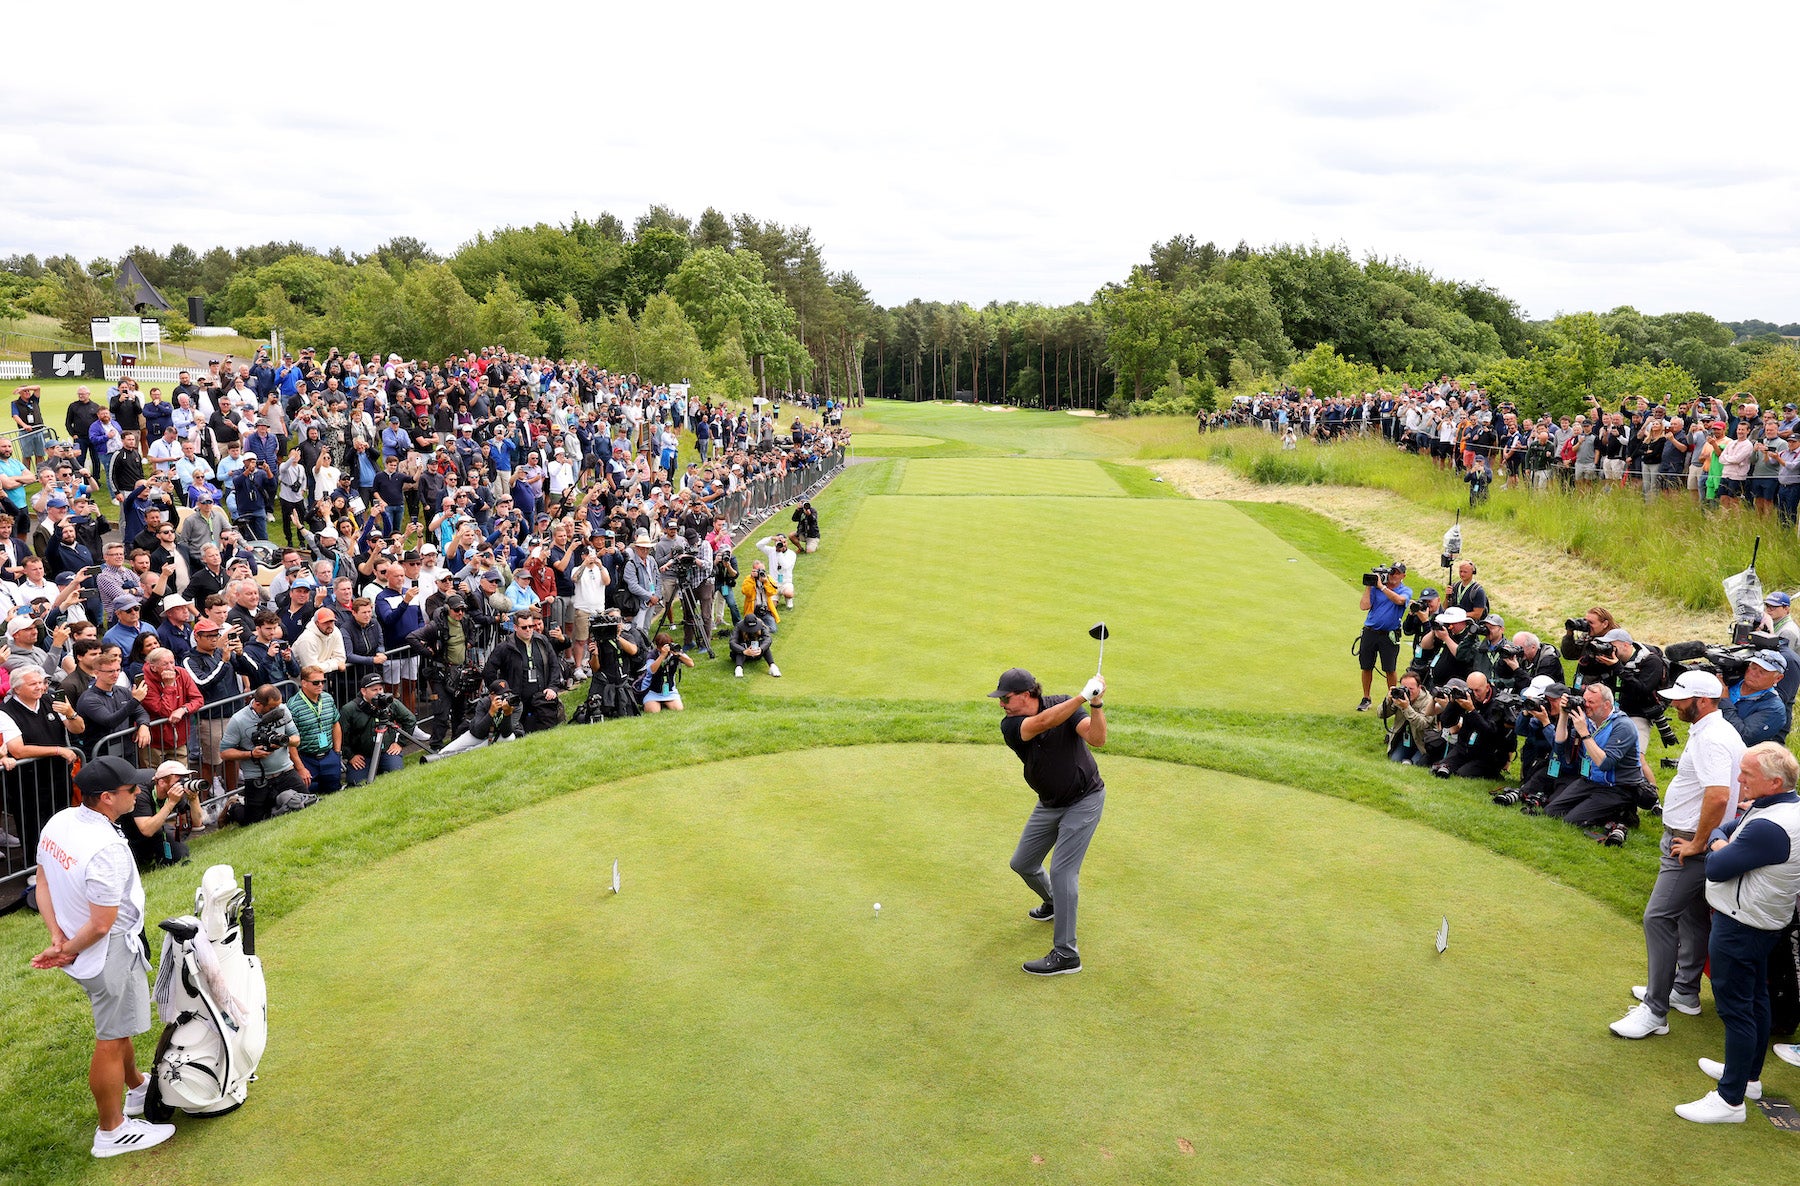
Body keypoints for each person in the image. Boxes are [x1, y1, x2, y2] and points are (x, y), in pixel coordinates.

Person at [30, 756, 178, 1159]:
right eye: (133, 790)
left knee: (117, 1025)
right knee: (110, 1038)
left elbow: (43, 881)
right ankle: (111, 1132)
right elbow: (100, 925)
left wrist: (58, 940)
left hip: (81, 947)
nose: (140, 792)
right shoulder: (106, 849)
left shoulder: (60, 821)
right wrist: (64, 949)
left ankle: (135, 1088)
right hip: (107, 950)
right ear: (107, 798)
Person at [1666, 742, 1800, 1122]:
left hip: (1741, 923)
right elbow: (1727, 827)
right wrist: (1724, 838)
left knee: (1737, 1008)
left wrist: (1720, 844)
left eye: (1747, 775)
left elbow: (1717, 866)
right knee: (1755, 999)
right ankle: (1747, 1079)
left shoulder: (1768, 826)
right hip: (1759, 920)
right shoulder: (1778, 807)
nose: (1739, 780)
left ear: (1774, 782)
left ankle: (1729, 1101)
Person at [1612, 671, 1746, 1039]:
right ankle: (1685, 991)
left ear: (1702, 701)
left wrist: (1698, 843)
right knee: (1692, 917)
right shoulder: (1709, 730)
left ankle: (1655, 1010)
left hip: (1688, 843)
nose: (1672, 704)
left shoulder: (1712, 738)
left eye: (1679, 699)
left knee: (1657, 918)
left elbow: (1718, 795)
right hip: (1688, 837)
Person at [990, 665, 1108, 977]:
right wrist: (1083, 696)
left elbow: (1097, 739)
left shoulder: (1065, 705)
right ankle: (1055, 903)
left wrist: (1095, 704)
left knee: (1062, 869)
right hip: (1050, 803)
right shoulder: (1011, 725)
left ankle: (1067, 954)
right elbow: (1043, 722)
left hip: (1085, 799)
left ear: (1027, 694)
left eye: (1006, 697)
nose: (1000, 703)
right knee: (1023, 863)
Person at [219, 684, 305, 825]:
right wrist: (251, 754)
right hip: (257, 778)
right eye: (272, 708)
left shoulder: (283, 709)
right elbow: (224, 753)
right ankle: (233, 807)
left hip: (286, 771)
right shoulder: (238, 720)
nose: (277, 710)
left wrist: (285, 741)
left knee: (306, 803)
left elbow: (296, 739)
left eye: (278, 706)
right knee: (253, 822)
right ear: (258, 704)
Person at [125, 759, 206, 870]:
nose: (182, 782)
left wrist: (193, 798)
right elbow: (146, 830)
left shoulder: (174, 791)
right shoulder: (141, 793)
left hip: (153, 832)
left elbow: (197, 823)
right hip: (130, 836)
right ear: (162, 782)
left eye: (185, 778)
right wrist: (170, 803)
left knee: (179, 853)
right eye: (178, 779)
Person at [340, 673, 420, 783]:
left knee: (396, 776)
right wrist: (350, 756)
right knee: (356, 783)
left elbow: (410, 719)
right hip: (362, 756)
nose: (379, 693)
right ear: (364, 691)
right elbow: (341, 736)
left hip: (387, 751)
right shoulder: (349, 709)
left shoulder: (390, 703)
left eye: (381, 689)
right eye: (374, 690)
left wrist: (400, 743)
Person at [1356, 561, 1411, 711]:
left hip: (1389, 635)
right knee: (1366, 666)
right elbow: (1364, 606)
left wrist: (1382, 587)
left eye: (1397, 573)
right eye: (1392, 572)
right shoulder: (1375, 589)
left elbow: (1400, 601)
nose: (1393, 575)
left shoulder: (1405, 590)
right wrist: (1369, 586)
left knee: (1390, 669)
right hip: (1370, 632)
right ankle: (1366, 698)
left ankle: (1393, 699)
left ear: (1403, 576)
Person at [1721, 650, 1790, 747]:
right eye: (1753, 667)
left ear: (1778, 678)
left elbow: (1743, 737)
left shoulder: (1774, 710)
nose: (1755, 673)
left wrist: (1724, 700)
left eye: (1763, 671)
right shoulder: (1730, 682)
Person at [640, 631, 694, 712]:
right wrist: (662, 655)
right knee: (653, 711)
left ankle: (664, 702)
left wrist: (678, 655)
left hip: (669, 690)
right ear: (658, 647)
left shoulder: (675, 651)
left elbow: (691, 664)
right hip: (652, 690)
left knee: (678, 709)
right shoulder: (652, 654)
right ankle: (654, 702)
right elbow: (651, 670)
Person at [729, 613, 778, 678]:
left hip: (756, 652)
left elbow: (768, 639)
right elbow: (732, 642)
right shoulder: (738, 626)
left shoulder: (761, 625)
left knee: (765, 646)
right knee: (741, 646)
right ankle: (739, 668)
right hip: (742, 653)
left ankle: (772, 666)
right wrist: (744, 651)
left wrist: (761, 649)